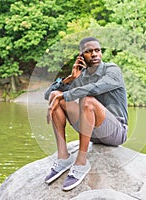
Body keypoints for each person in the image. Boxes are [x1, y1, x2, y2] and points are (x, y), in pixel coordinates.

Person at [45, 37, 128, 191]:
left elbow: (95, 88)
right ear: (81, 56)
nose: (95, 54)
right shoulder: (81, 76)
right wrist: (71, 79)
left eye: (97, 50)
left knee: (87, 100)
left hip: (116, 131)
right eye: (89, 51)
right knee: (54, 95)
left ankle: (81, 162)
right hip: (93, 134)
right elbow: (47, 96)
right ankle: (63, 157)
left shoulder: (112, 70)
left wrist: (64, 95)